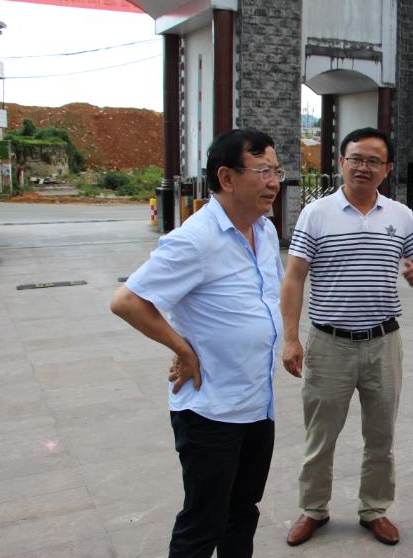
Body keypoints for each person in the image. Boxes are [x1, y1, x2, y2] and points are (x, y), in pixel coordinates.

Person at [110, 128, 285, 558]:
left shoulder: (264, 231)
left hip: (257, 404)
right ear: (227, 178)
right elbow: (128, 301)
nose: (274, 182)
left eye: (277, 171)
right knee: (203, 523)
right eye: (263, 171)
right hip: (211, 413)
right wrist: (182, 349)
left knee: (242, 511)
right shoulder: (195, 239)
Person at [281, 127, 413, 547]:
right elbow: (294, 277)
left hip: (383, 343)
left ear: (387, 169)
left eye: (373, 161)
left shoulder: (400, 215)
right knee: (321, 435)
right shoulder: (317, 214)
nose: (363, 167)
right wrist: (291, 338)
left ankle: (375, 509)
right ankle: (313, 508)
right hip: (328, 343)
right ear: (341, 162)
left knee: (381, 436)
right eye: (356, 158)